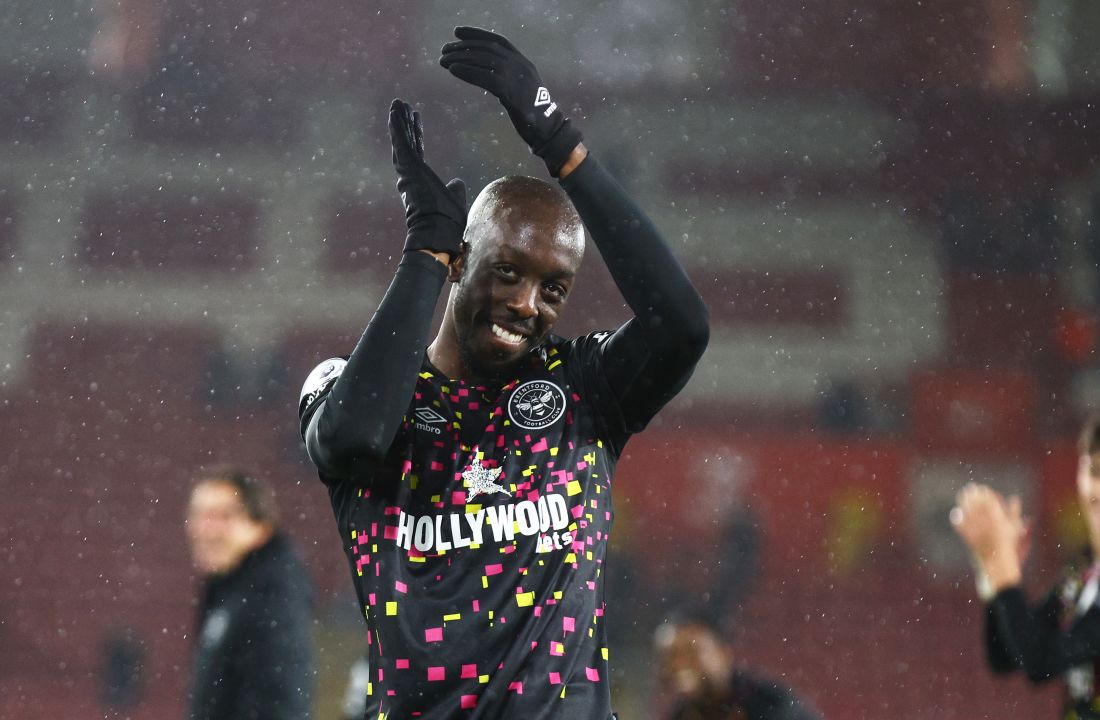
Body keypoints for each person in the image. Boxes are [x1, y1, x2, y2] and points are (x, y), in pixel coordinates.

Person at [298, 26, 709, 719]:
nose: (526, 304)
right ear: (462, 263)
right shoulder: (351, 386)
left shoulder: (582, 391)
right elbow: (355, 441)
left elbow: (682, 325)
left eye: (553, 288)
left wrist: (562, 144)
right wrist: (424, 255)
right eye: (507, 271)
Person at [951, 414, 1100, 719]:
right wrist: (992, 571)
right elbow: (1006, 656)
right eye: (1096, 472)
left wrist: (1003, 570)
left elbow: (1042, 662)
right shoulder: (1089, 566)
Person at [185, 468, 315, 720]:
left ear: (259, 526)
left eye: (220, 516)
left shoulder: (273, 594)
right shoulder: (227, 588)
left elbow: (280, 700)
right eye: (197, 515)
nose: (204, 529)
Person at [654, 609, 821, 720]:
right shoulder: (680, 716)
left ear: (723, 654)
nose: (680, 664)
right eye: (671, 656)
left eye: (692, 652)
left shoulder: (770, 705)